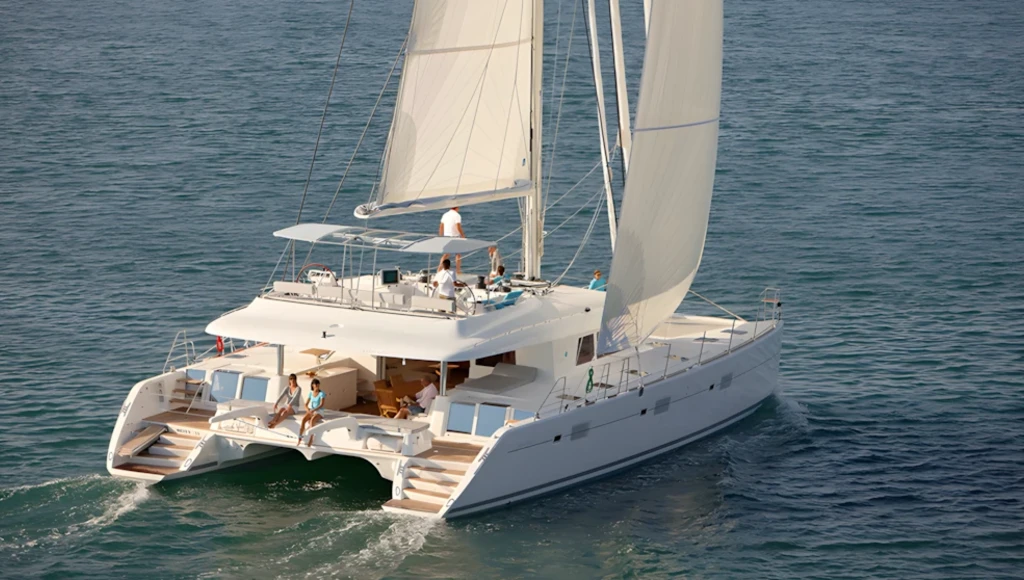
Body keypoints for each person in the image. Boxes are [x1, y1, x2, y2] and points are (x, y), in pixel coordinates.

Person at [298, 379, 325, 446]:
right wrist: (308, 410)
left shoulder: (322, 393)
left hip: (319, 411)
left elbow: (321, 404)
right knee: (304, 419)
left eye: (318, 384)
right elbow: (306, 404)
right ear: (312, 385)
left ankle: (311, 438)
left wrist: (313, 410)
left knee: (312, 420)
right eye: (316, 384)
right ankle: (300, 437)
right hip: (312, 410)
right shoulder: (311, 393)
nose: (317, 386)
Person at [439, 207, 465, 273]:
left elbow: (441, 226)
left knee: (446, 254)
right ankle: (458, 270)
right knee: (458, 254)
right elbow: (458, 226)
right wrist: (462, 235)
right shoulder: (457, 215)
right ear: (457, 208)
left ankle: (439, 268)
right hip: (455, 236)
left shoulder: (445, 214)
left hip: (446, 236)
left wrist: (440, 236)